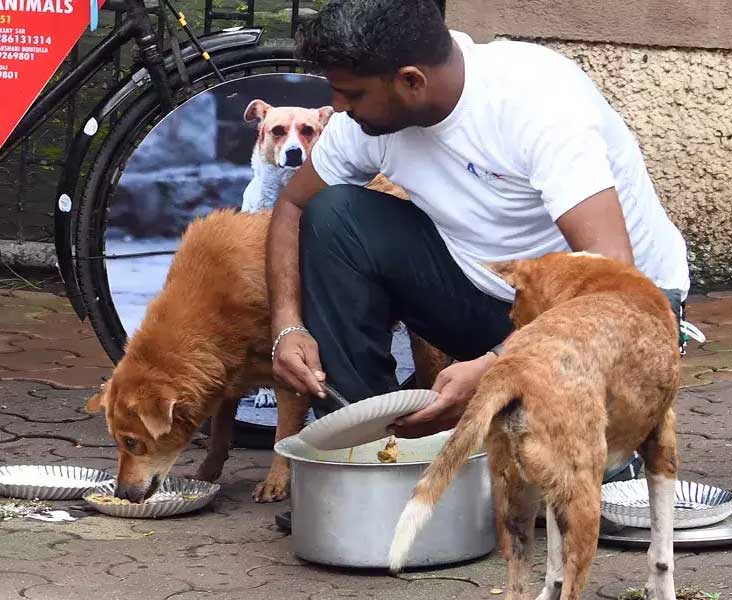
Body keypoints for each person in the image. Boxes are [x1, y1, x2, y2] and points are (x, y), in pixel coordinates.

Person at [266, 0, 690, 457]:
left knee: (566, 493)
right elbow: (291, 205)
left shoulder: (537, 100)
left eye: (352, 94)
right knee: (334, 212)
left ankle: (590, 440)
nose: (338, 106)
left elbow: (611, 278)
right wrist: (287, 326)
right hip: (484, 294)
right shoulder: (365, 122)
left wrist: (496, 366)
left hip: (615, 313)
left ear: (411, 80)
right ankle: (365, 454)